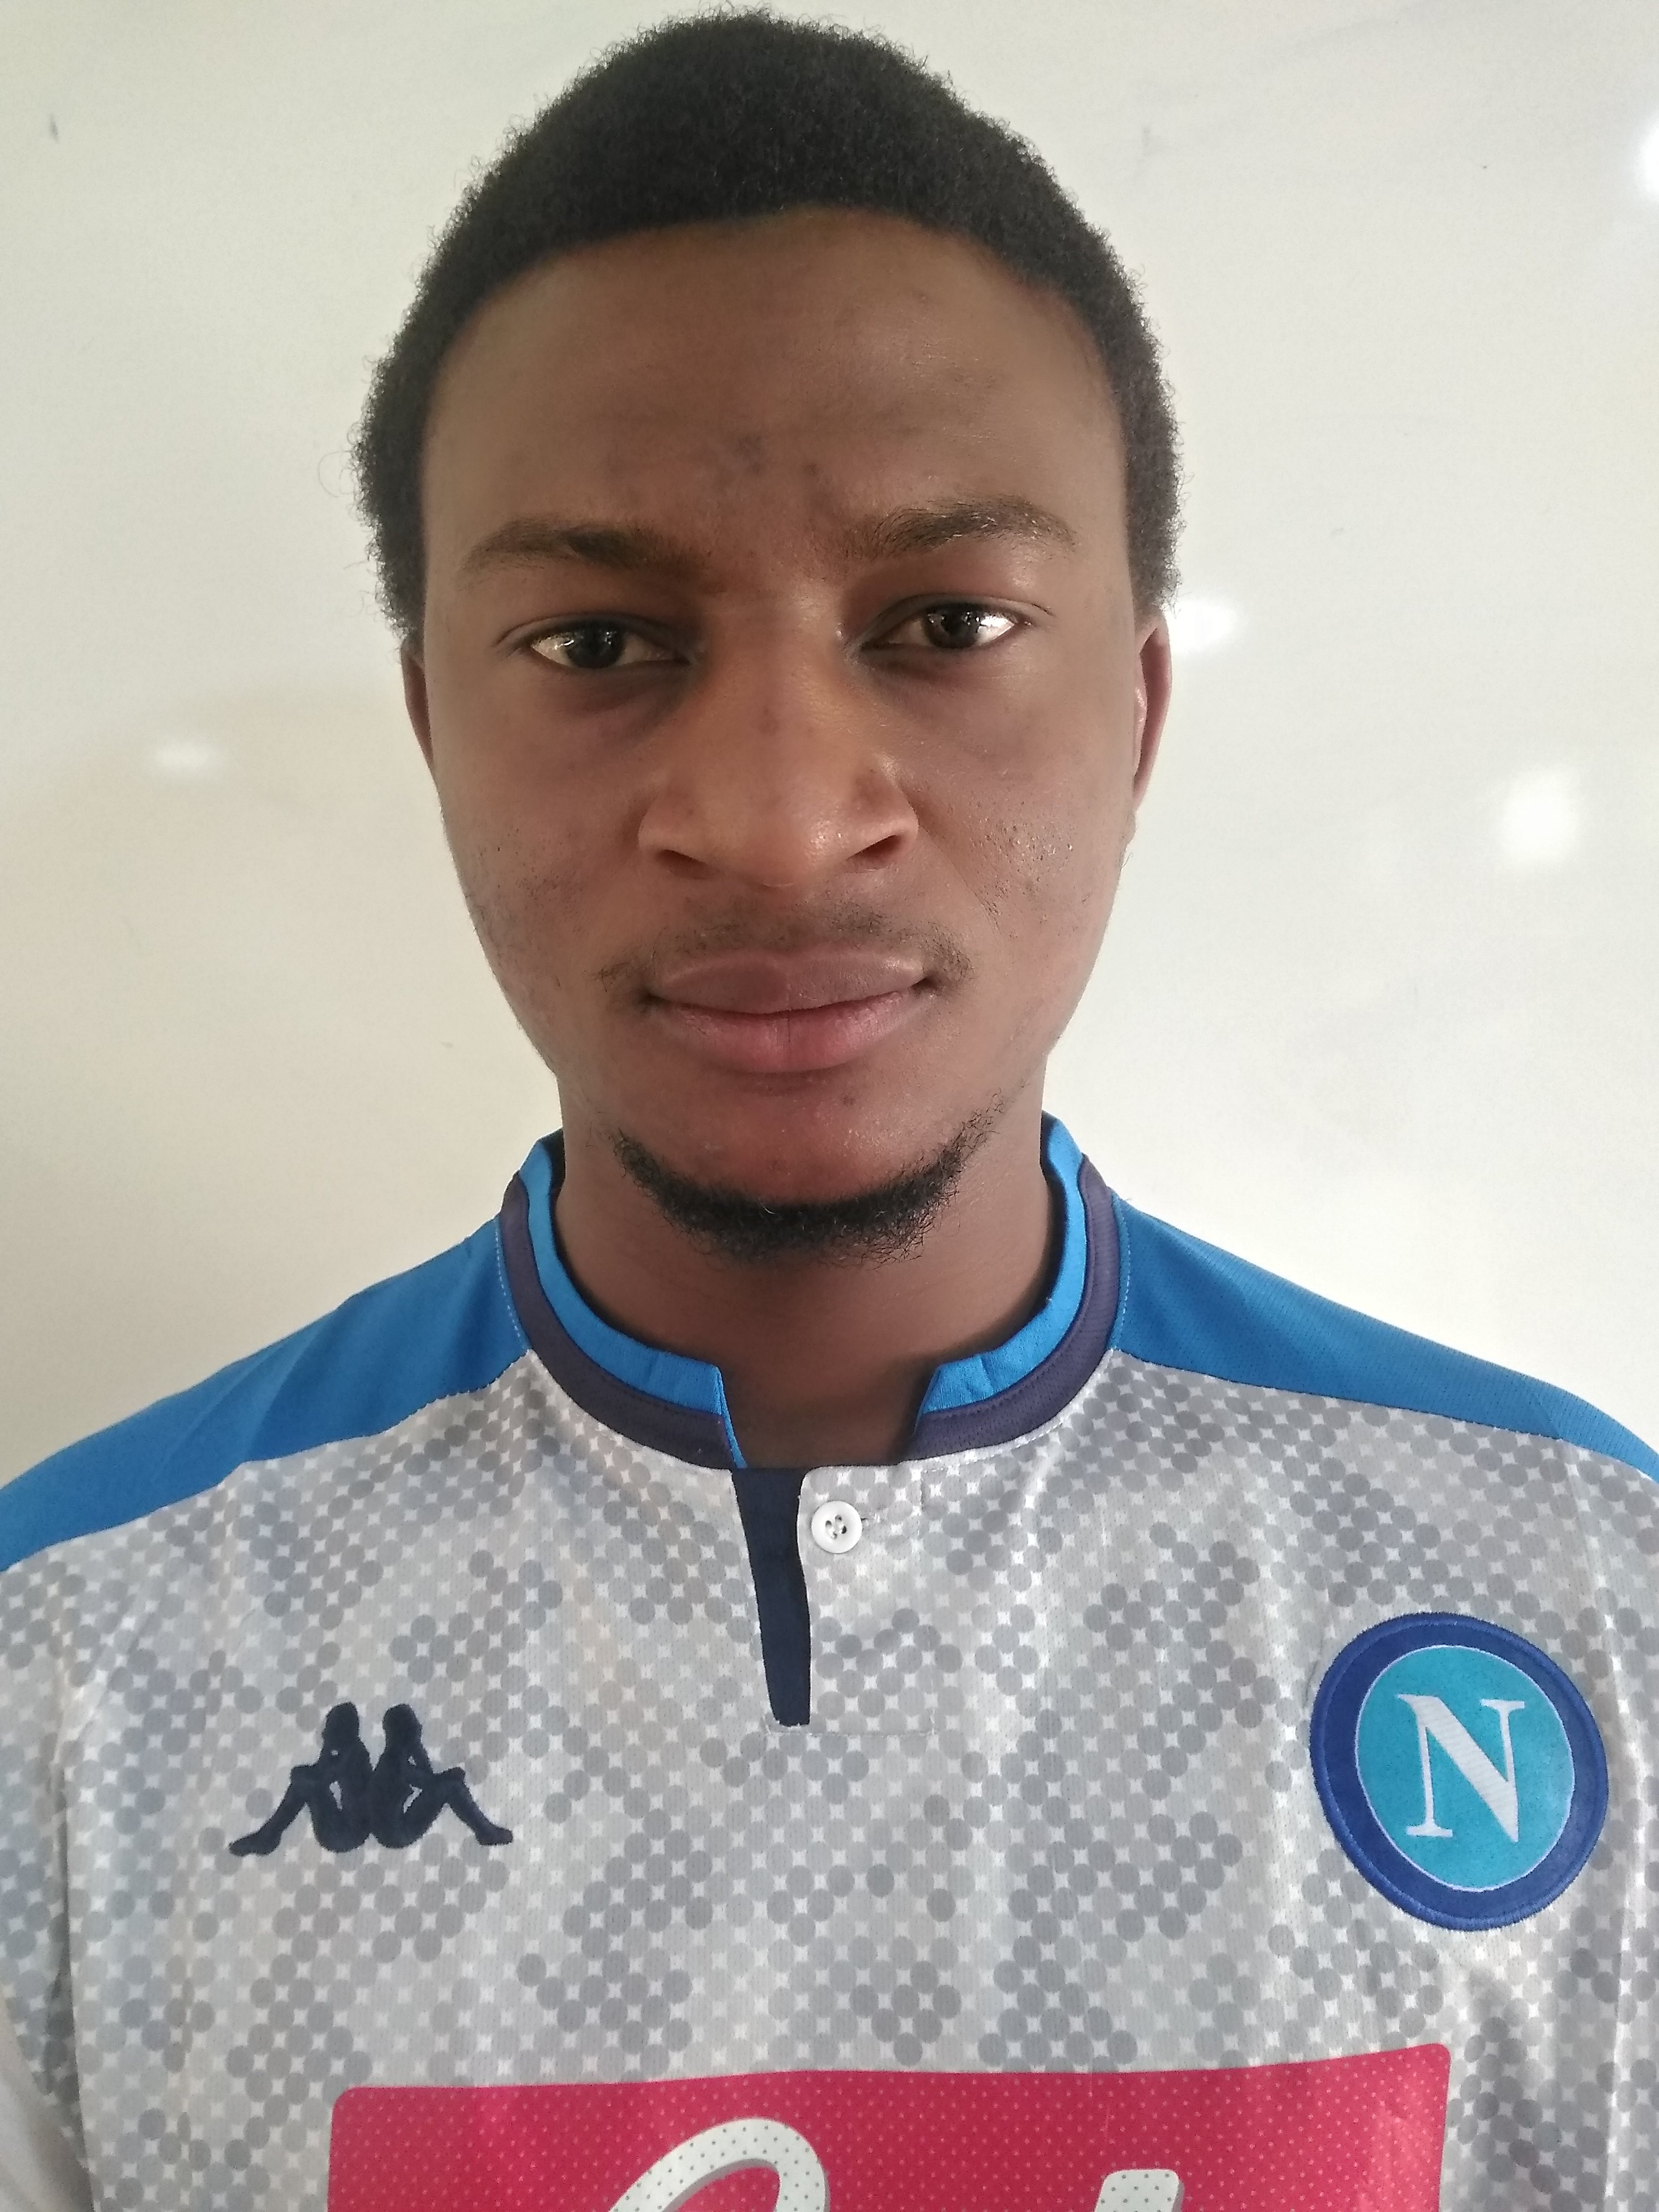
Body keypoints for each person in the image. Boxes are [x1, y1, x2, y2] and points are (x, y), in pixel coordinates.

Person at [2, 10, 1655, 2209]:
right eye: (600, 644)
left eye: (945, 620)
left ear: (1135, 710)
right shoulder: (70, 1667)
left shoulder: (1587, 1599)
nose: (782, 821)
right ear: (434, 727)